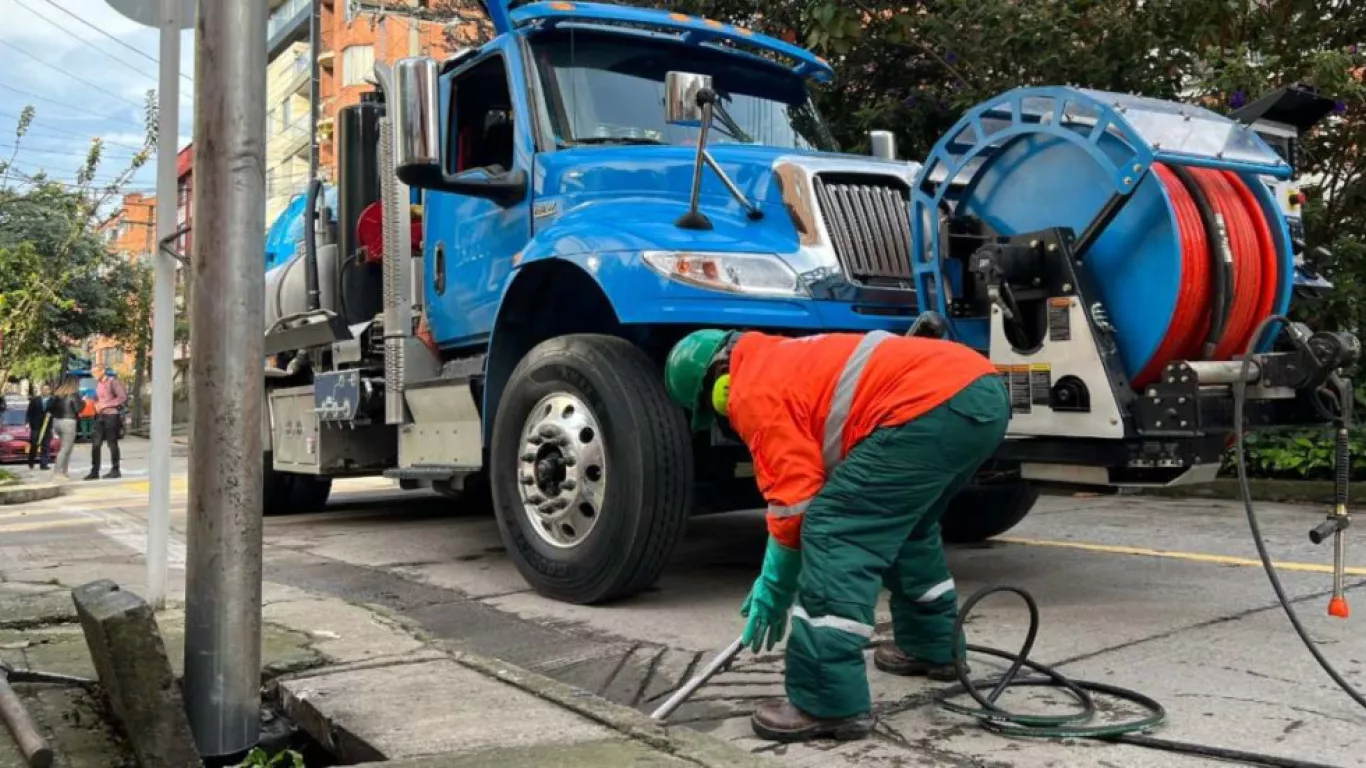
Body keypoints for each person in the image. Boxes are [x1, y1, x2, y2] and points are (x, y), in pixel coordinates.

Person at [664, 329, 1010, 743]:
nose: (722, 412)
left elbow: (795, 507)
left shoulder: (751, 389)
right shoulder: (784, 353)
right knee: (906, 529)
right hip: (981, 392)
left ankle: (825, 703)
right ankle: (932, 647)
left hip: (930, 405)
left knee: (835, 529)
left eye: (712, 404)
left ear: (720, 379)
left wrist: (774, 586)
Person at [86, 367, 127, 480]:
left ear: (102, 371)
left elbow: (122, 397)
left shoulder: (113, 382)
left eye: (95, 372)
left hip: (111, 416)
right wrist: (94, 403)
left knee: (112, 443)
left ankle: (115, 469)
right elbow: (96, 398)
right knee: (96, 444)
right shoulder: (98, 384)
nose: (93, 374)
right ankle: (94, 471)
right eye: (92, 372)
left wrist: (105, 405)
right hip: (99, 416)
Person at [48, 379, 82, 480]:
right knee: (65, 449)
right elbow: (78, 409)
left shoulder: (57, 395)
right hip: (68, 422)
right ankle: (58, 473)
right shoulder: (74, 395)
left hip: (57, 422)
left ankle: (64, 472)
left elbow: (49, 408)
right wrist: (83, 402)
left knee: (67, 448)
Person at [25, 384, 54, 470]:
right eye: (43, 389)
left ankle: (43, 464)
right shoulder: (35, 400)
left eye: (47, 389)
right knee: (34, 445)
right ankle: (31, 462)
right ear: (41, 390)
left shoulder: (53, 400)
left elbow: (57, 411)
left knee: (46, 445)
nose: (45, 391)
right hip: (35, 426)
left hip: (47, 426)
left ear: (50, 390)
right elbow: (29, 412)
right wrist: (27, 422)